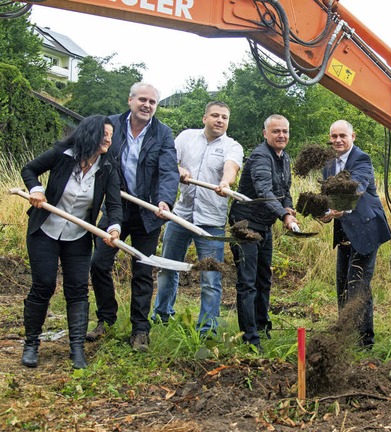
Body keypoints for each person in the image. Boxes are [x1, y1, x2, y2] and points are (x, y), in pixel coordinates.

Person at [20, 115, 122, 369]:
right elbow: (29, 169)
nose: (109, 140)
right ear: (90, 134)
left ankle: (77, 349)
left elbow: (114, 203)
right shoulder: (62, 154)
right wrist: (36, 189)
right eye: (104, 135)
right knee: (43, 284)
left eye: (111, 135)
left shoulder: (107, 166)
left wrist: (114, 228)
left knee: (77, 289)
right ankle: (31, 344)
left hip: (78, 236)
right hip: (45, 230)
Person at [87, 82, 180, 352]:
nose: (147, 105)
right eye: (142, 99)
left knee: (142, 270)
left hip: (148, 213)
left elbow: (168, 171)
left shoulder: (162, 133)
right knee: (99, 264)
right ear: (130, 100)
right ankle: (106, 319)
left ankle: (140, 329)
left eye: (152, 102)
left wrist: (164, 200)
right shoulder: (111, 126)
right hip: (116, 208)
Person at [152, 101, 243, 337]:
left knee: (210, 278)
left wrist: (226, 183)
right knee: (167, 268)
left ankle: (208, 329)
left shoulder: (232, 146)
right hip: (180, 216)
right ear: (205, 118)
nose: (220, 120)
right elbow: (168, 159)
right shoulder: (186, 137)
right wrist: (178, 168)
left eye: (224, 117)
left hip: (211, 222)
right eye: (215, 115)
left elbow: (231, 168)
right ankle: (161, 315)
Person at [228, 114, 299, 351]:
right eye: (276, 131)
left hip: (264, 225)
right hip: (245, 223)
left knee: (264, 279)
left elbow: (284, 191)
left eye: (285, 131)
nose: (281, 135)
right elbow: (264, 191)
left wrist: (288, 207)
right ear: (265, 134)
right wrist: (284, 215)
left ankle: (262, 327)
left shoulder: (284, 157)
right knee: (247, 282)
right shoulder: (260, 156)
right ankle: (250, 338)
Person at [320, 120, 391, 349]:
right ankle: (347, 334)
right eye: (334, 136)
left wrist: (343, 205)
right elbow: (327, 194)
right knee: (342, 284)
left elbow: (358, 186)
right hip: (343, 230)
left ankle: (364, 342)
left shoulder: (362, 159)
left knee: (358, 284)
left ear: (353, 136)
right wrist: (324, 211)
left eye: (342, 135)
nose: (338, 140)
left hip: (366, 229)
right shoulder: (329, 163)